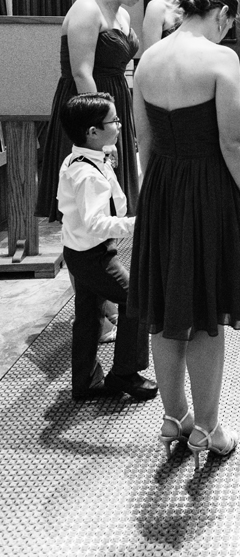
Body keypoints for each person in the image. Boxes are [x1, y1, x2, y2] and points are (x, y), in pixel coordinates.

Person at [129, 0, 240, 457]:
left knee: (166, 313)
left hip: (162, 188)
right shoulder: (219, 58)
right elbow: (232, 142)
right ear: (223, 15)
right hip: (208, 190)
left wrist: (152, 201)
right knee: (207, 313)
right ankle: (207, 428)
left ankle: (174, 418)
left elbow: (144, 142)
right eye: (232, 24)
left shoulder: (147, 59)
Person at [36, 0, 155, 223]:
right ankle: (86, 256)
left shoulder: (123, 15)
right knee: (87, 192)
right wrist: (102, 125)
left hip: (114, 99)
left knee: (112, 190)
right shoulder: (86, 9)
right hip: (89, 106)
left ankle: (108, 246)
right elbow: (80, 73)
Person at [57, 93, 157, 403]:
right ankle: (125, 373)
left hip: (77, 251)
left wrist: (107, 157)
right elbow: (96, 224)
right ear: (92, 132)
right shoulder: (88, 174)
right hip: (93, 254)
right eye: (113, 121)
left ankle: (85, 381)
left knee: (88, 315)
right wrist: (139, 224)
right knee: (135, 301)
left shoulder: (80, 157)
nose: (119, 125)